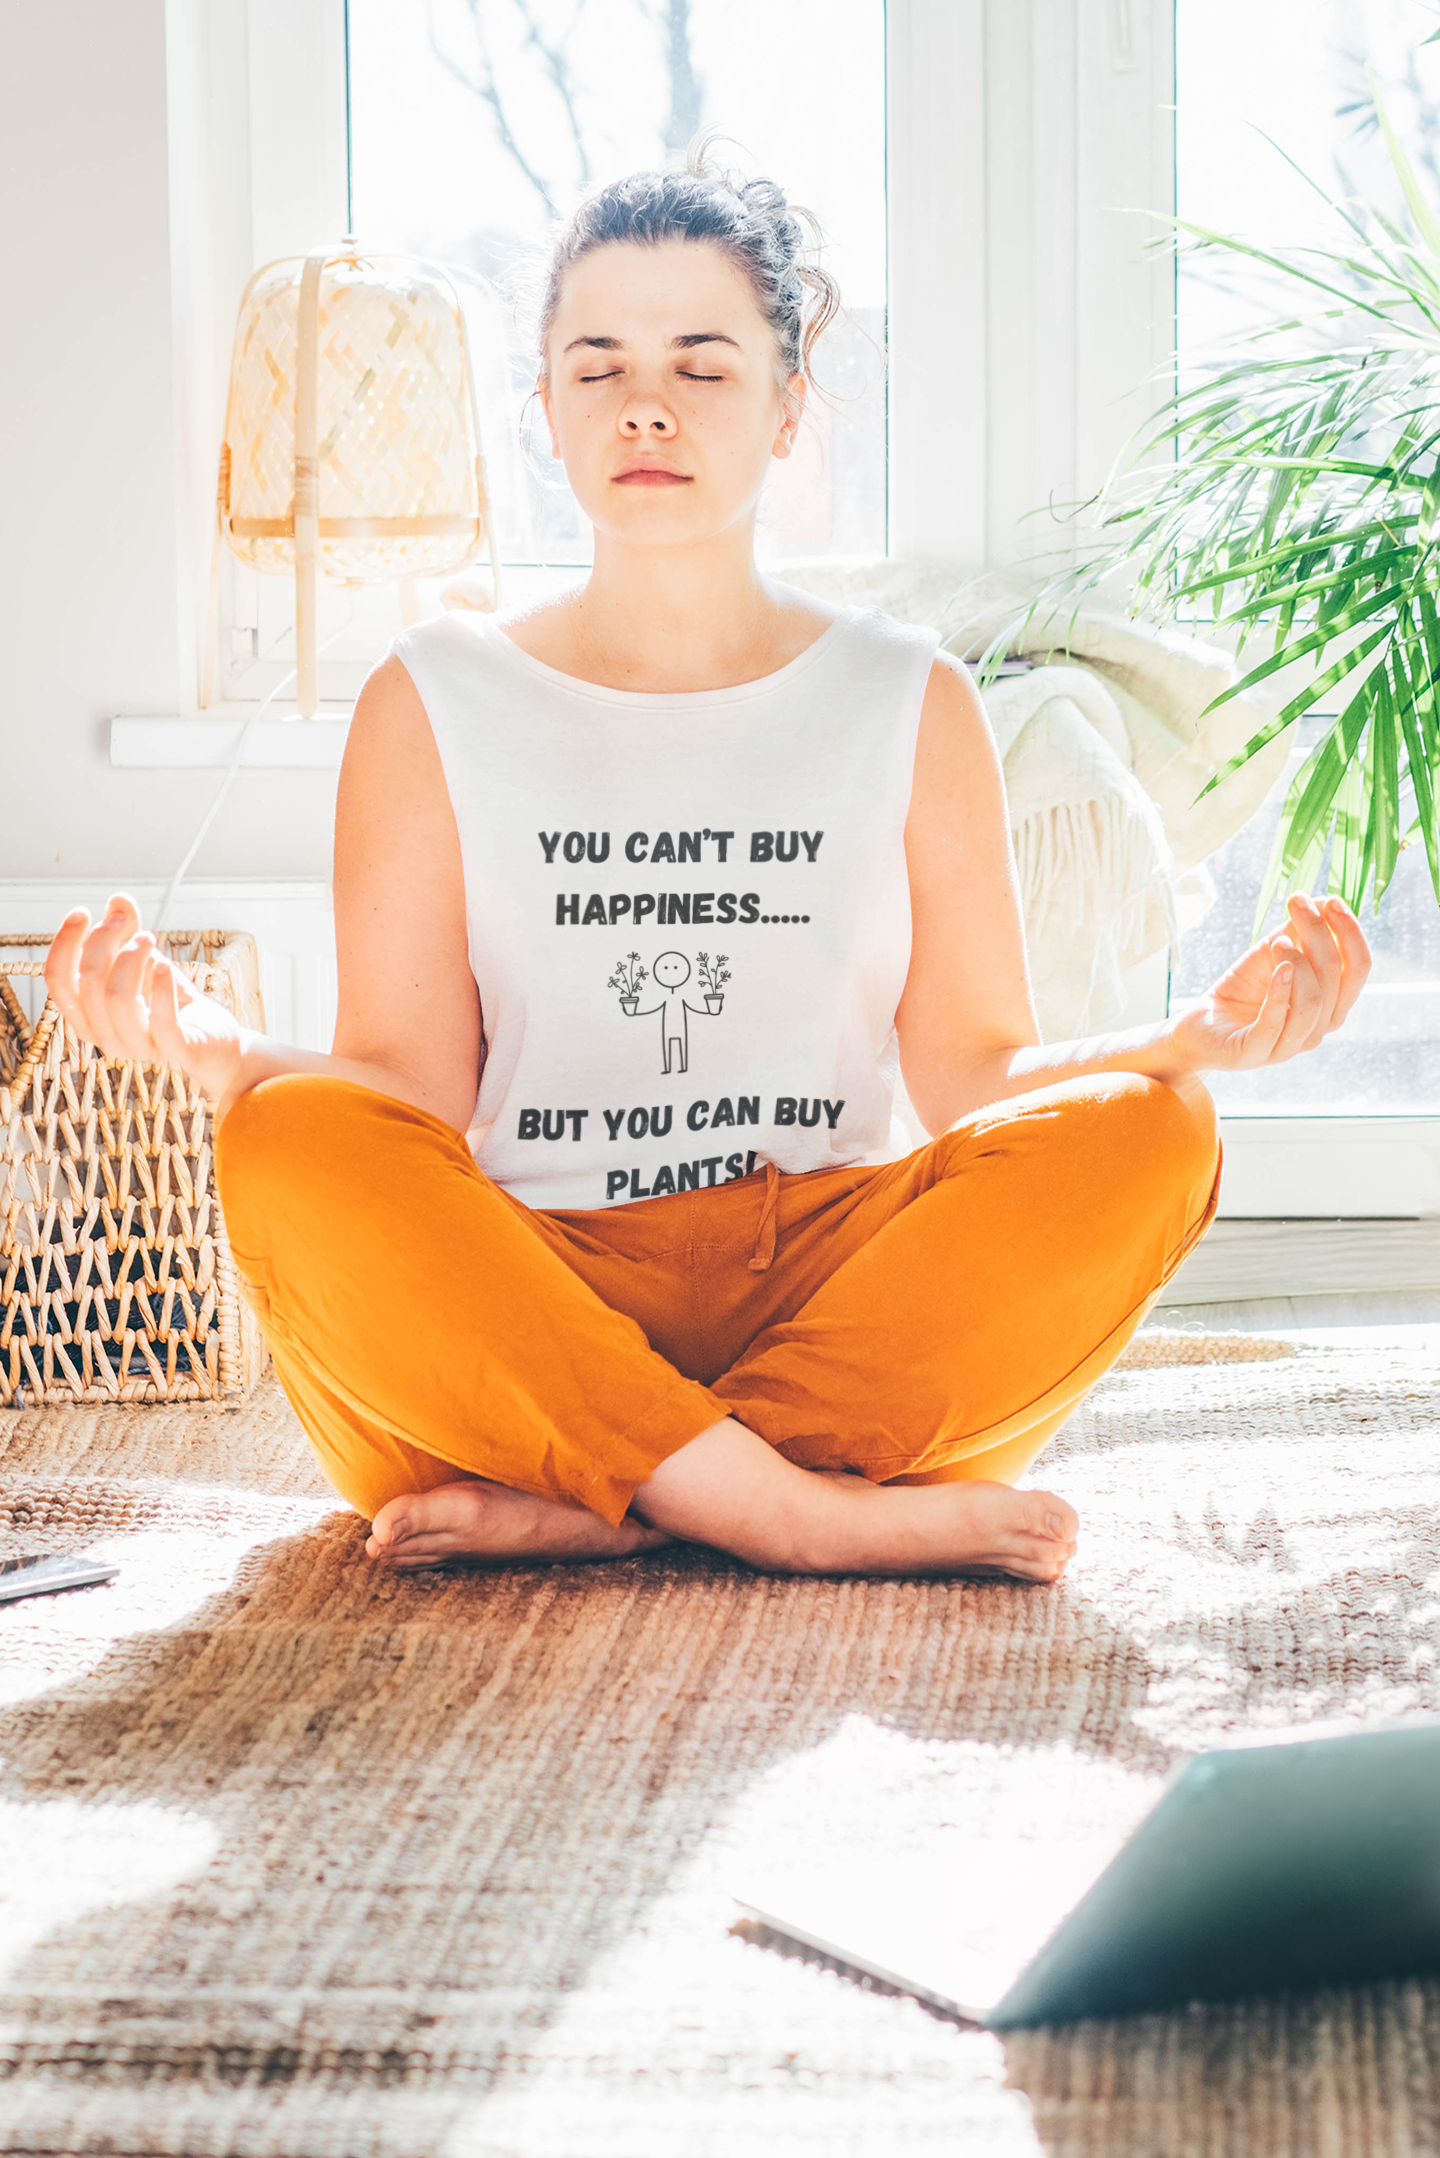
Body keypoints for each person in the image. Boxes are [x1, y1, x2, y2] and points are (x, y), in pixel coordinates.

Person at [44, 160, 1371, 1587]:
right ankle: (795, 1505)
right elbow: (412, 1094)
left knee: (1158, 1133)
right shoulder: (433, 695)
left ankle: (621, 1496)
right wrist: (224, 1050)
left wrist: (1183, 1042)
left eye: (704, 365)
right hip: (531, 1291)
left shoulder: (906, 698)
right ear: (543, 407)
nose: (646, 405)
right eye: (597, 364)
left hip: (827, 1282)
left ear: (790, 405)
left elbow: (974, 1075)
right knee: (286, 1143)